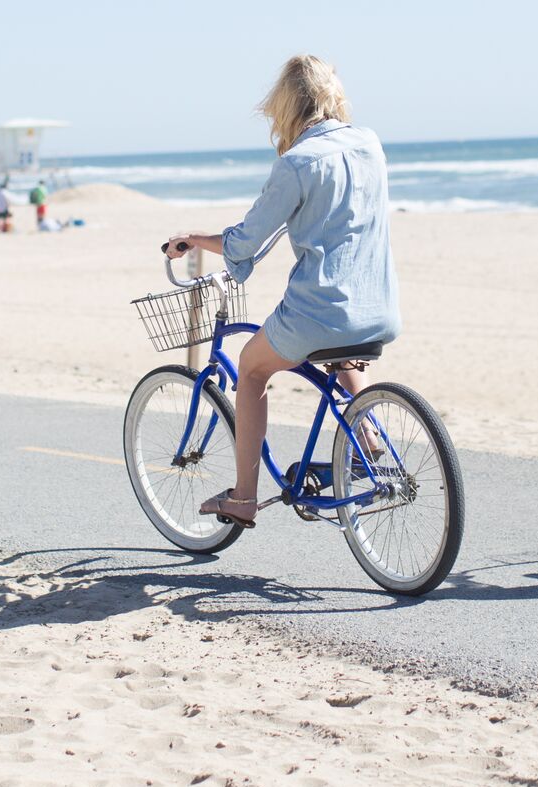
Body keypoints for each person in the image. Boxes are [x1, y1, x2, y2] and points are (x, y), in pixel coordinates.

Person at [162, 55, 399, 529]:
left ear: (286, 106)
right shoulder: (369, 143)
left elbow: (248, 240)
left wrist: (197, 240)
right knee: (342, 358)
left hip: (320, 312)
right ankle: (369, 441)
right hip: (378, 307)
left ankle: (244, 499)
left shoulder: (296, 163)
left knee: (250, 372)